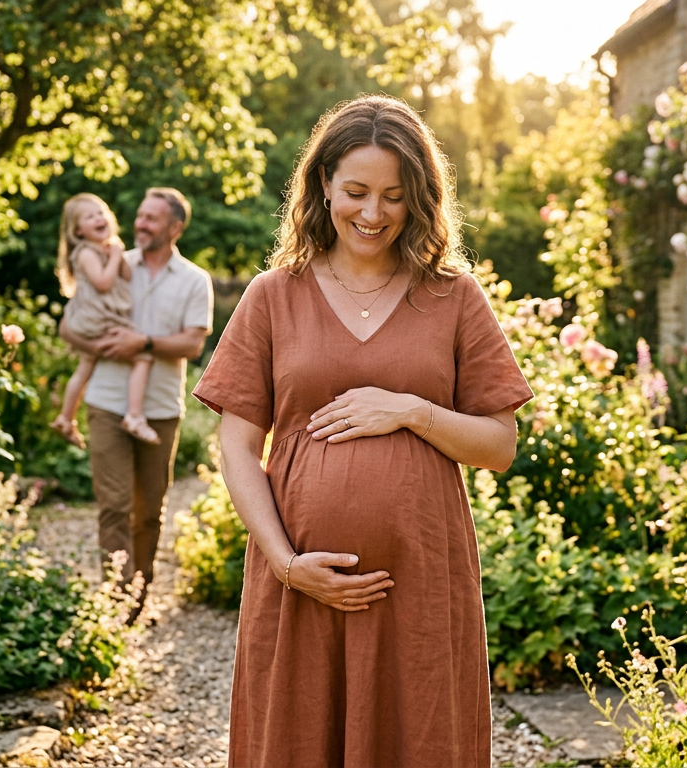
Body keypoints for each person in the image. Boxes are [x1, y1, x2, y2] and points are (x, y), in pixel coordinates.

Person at [193, 96, 532, 767]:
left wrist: (411, 410)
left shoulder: (452, 296)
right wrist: (287, 565)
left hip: (419, 583)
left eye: (393, 196)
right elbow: (237, 444)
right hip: (299, 583)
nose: (372, 214)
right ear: (323, 184)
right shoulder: (273, 294)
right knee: (295, 738)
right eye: (355, 192)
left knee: (418, 737)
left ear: (419, 200)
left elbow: (499, 445)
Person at [59, 187, 212, 595]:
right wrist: (100, 347)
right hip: (107, 403)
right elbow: (69, 323)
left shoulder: (196, 281)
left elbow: (193, 344)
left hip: (161, 408)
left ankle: (140, 590)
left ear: (175, 227)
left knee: (148, 513)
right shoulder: (110, 260)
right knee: (114, 507)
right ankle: (116, 597)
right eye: (139, 216)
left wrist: (141, 343)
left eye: (151, 219)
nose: (139, 224)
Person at [50, 193, 160, 446]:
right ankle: (134, 416)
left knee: (85, 367)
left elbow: (126, 275)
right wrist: (113, 256)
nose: (98, 218)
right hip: (99, 318)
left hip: (94, 319)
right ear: (78, 231)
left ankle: (66, 418)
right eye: (90, 217)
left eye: (101, 213)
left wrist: (117, 254)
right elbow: (103, 283)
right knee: (142, 357)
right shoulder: (86, 252)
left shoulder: (105, 249)